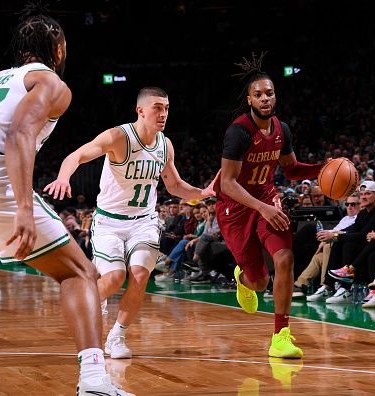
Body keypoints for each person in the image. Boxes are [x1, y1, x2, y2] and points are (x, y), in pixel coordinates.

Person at [0, 9, 133, 395]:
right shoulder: (51, 82)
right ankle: (94, 380)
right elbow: (19, 133)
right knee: (79, 274)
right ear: (58, 48)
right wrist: (20, 207)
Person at [45, 86, 213, 362]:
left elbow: (175, 185)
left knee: (139, 274)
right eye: (158, 107)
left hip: (144, 221)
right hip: (109, 221)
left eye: (167, 108)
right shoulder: (118, 137)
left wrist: (201, 193)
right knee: (113, 279)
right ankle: (91, 301)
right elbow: (77, 155)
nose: (163, 113)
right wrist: (64, 177)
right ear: (141, 110)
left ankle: (117, 336)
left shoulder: (164, 144)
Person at [214, 53, 325, 358]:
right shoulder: (238, 131)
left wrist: (324, 168)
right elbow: (228, 183)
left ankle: (281, 336)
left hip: (266, 199)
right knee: (259, 282)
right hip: (234, 207)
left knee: (285, 257)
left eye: (270, 93)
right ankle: (242, 278)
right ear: (249, 99)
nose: (265, 98)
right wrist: (261, 208)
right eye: (258, 94)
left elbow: (290, 169)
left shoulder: (282, 129)